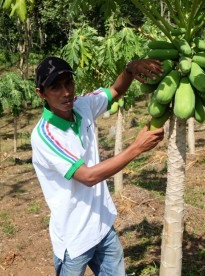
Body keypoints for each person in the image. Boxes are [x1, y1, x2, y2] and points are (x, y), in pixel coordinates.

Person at [30, 56, 165, 275]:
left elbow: (115, 91)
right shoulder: (45, 135)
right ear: (41, 93)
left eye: (68, 84)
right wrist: (137, 147)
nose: (66, 93)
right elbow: (88, 176)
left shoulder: (82, 105)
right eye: (55, 87)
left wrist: (130, 70)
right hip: (74, 238)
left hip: (102, 226)